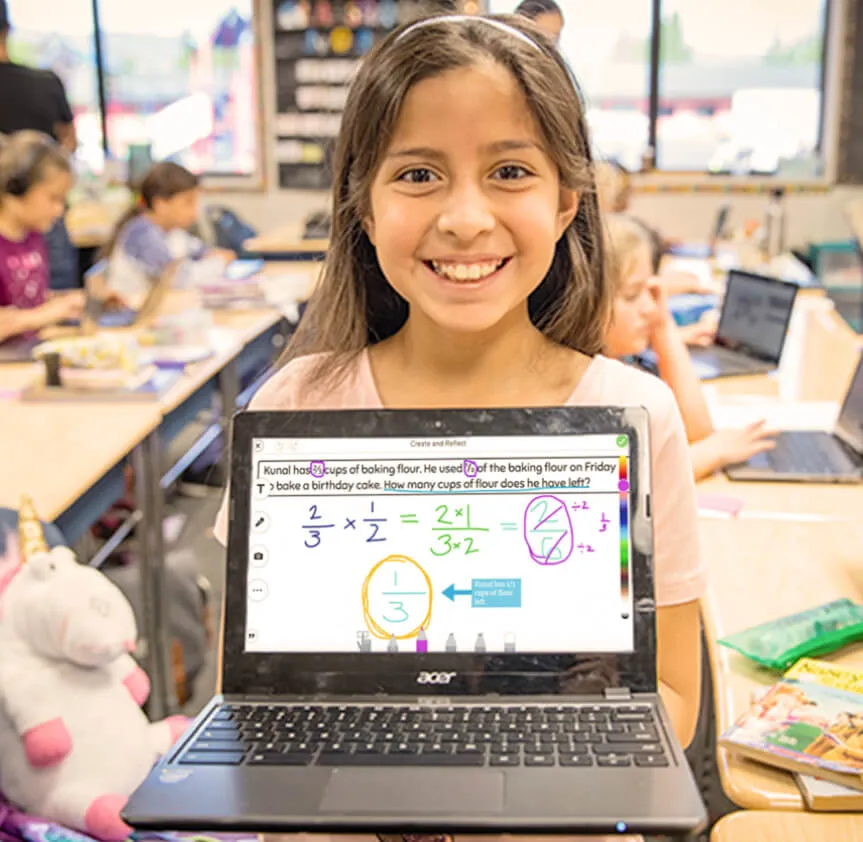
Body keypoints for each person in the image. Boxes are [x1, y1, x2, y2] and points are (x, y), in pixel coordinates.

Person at [216, 14, 706, 762]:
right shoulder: (294, 404)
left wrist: (533, 776)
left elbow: (670, 699)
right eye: (417, 175)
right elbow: (247, 698)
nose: (465, 220)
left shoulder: (637, 413)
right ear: (364, 207)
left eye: (510, 172)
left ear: (566, 203)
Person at [602, 212, 777, 481]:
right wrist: (712, 453)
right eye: (632, 295)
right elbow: (625, 483)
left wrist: (662, 326)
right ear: (585, 303)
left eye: (653, 291)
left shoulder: (616, 366)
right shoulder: (582, 385)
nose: (650, 306)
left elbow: (696, 431)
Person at [0, 0, 80, 291]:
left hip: (28, 210)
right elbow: (70, 142)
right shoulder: (45, 82)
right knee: (55, 302)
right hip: (46, 215)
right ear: (8, 30)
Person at [100, 161, 235, 304]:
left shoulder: (172, 232)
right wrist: (220, 263)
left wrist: (213, 257)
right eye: (188, 203)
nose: (194, 213)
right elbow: (179, 280)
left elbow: (201, 251)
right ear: (161, 204)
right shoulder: (142, 234)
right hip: (128, 319)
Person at [0, 131, 83, 343]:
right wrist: (46, 314)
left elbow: (25, 300)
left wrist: (66, 301)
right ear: (16, 187)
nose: (59, 210)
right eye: (53, 198)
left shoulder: (33, 238)